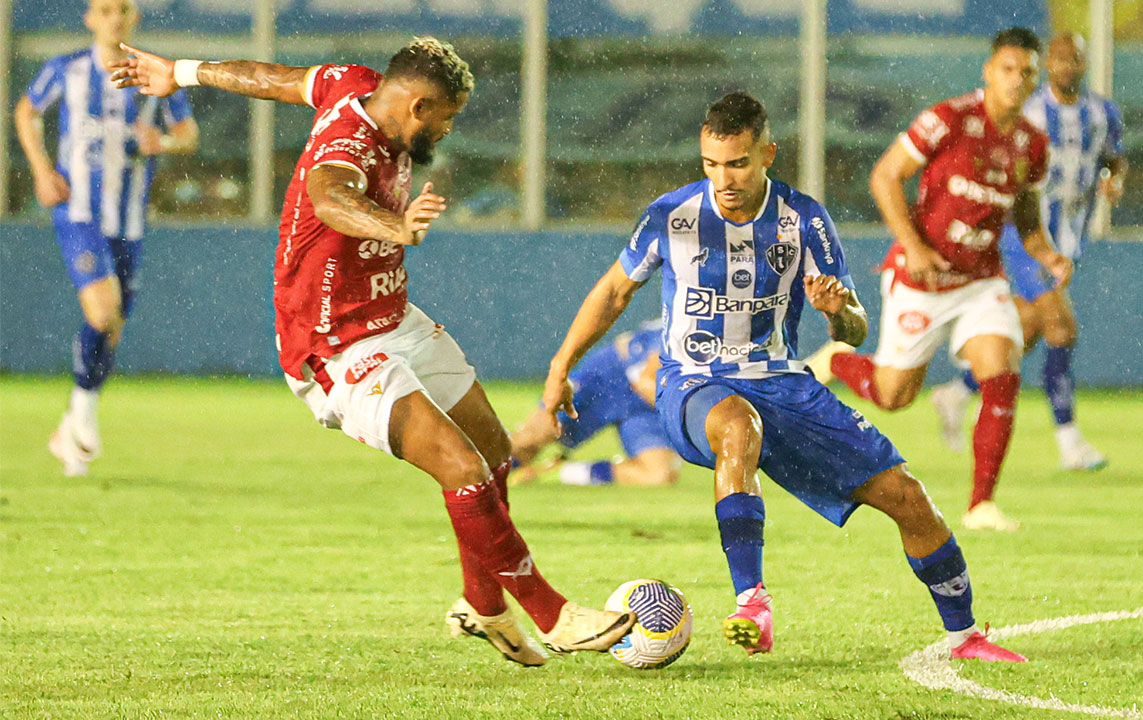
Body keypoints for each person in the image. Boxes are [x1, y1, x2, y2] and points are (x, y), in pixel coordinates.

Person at [110, 36, 634, 667]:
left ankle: (480, 602)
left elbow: (274, 78)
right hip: (334, 346)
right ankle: (554, 615)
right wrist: (397, 227)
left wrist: (182, 72)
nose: (447, 129)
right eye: (446, 116)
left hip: (392, 317)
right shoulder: (348, 146)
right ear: (417, 106)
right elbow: (330, 198)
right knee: (459, 469)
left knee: (494, 455)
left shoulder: (350, 81)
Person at [542, 91, 1026, 662]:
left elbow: (855, 331)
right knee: (737, 428)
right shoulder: (672, 216)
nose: (723, 178)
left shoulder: (804, 221)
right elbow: (615, 291)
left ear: (767, 153)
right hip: (692, 382)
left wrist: (835, 310)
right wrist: (560, 366)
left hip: (783, 383)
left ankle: (965, 636)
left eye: (738, 163)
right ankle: (752, 601)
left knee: (908, 497)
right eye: (711, 164)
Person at [807, 28, 1072, 532]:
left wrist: (1045, 253)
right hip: (922, 279)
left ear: (1036, 80)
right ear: (988, 71)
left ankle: (981, 505)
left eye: (1027, 73)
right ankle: (837, 361)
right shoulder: (949, 119)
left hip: (980, 281)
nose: (1017, 80)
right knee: (893, 396)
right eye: (1008, 69)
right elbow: (885, 175)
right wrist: (913, 245)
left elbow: (1026, 212)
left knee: (1001, 368)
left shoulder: (1033, 144)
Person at [14, 0, 198, 477]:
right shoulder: (67, 70)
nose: (114, 17)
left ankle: (73, 426)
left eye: (122, 9)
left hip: (129, 220)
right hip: (78, 212)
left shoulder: (154, 73)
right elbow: (26, 112)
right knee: (102, 312)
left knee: (113, 324)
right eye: (104, 9)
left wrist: (166, 142)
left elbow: (188, 133)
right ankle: (83, 414)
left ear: (133, 18)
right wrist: (41, 170)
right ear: (90, 19)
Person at [929, 32, 1127, 472]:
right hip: (1023, 238)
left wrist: (1114, 179)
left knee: (1028, 330)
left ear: (1083, 62)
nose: (1066, 66)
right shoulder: (1031, 112)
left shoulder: (1102, 113)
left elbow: (1114, 157)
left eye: (1073, 58)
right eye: (1057, 59)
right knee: (1062, 330)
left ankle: (957, 391)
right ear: (1048, 66)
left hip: (1067, 238)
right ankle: (1070, 442)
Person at [510, 324, 681, 487]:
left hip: (645, 404)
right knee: (532, 438)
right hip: (609, 377)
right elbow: (646, 381)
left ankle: (557, 472)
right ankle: (488, 475)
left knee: (658, 475)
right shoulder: (688, 325)